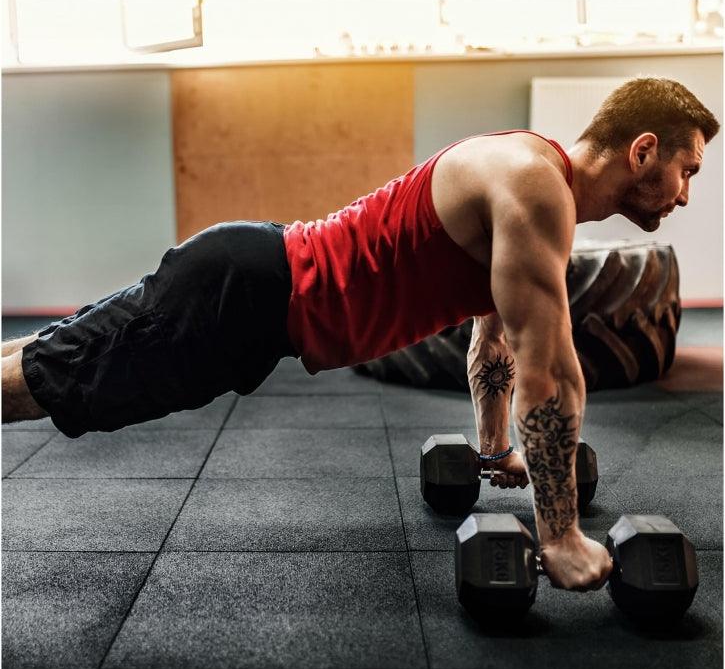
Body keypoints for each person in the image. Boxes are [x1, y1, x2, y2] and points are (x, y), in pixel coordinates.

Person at [2, 77, 719, 591]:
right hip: (244, 297)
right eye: (686, 170)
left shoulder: (530, 176)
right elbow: (551, 373)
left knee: (47, 360)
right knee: (45, 384)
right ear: (642, 150)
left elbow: (494, 342)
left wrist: (494, 447)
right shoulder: (536, 190)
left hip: (249, 285)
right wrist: (559, 538)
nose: (685, 194)